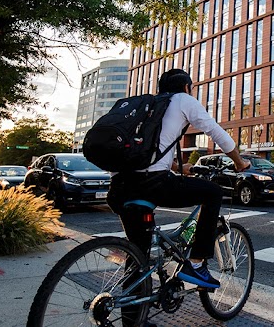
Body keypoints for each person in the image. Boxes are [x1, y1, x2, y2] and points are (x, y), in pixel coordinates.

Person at [106, 69, 249, 291]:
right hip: (152, 185)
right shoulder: (183, 100)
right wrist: (239, 162)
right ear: (186, 87)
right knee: (212, 192)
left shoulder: (148, 107)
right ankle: (196, 263)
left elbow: (146, 152)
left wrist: (177, 167)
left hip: (119, 187)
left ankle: (132, 319)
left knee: (138, 256)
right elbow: (215, 131)